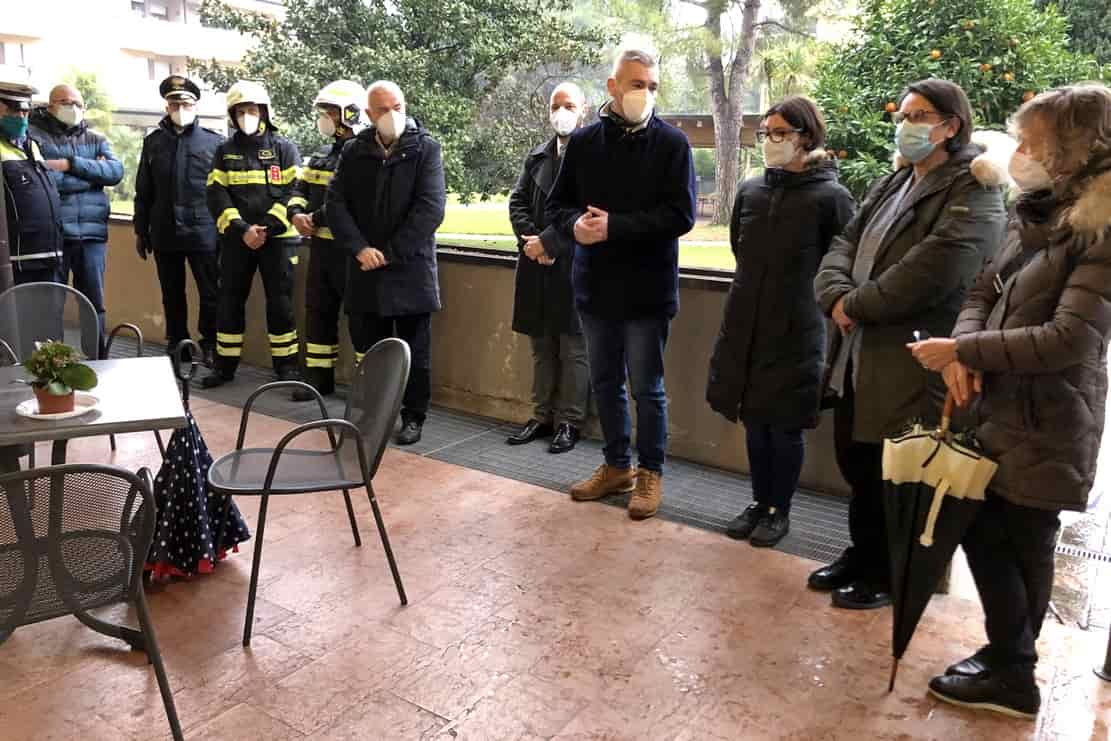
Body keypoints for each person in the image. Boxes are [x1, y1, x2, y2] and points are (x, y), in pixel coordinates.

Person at [908, 83, 1111, 719]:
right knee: (988, 533)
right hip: (999, 408)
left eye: (1035, 142)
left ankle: (1015, 675)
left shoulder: (1099, 229)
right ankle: (1005, 658)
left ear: (1075, 148)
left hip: (1048, 419)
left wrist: (965, 354)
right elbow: (978, 295)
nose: (1019, 152)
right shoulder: (1037, 212)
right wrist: (964, 352)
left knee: (1021, 539)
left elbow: (1069, 338)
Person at [812, 78, 1007, 609]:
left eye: (920, 116)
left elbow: (937, 268)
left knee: (895, 468)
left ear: (951, 126)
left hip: (912, 355)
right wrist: (835, 294)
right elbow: (845, 241)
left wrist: (854, 305)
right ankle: (862, 553)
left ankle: (889, 573)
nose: (906, 124)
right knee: (856, 457)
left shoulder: (975, 188)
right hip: (858, 351)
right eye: (904, 114)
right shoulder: (895, 179)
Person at [547, 47, 696, 520]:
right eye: (636, 84)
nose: (644, 93)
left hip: (648, 292)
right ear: (612, 87)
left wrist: (617, 227)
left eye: (651, 86)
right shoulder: (586, 143)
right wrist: (574, 228)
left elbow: (682, 215)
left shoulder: (673, 144)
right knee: (606, 382)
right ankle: (616, 466)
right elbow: (558, 207)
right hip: (595, 287)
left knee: (646, 388)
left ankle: (650, 471)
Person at [707, 96, 856, 547]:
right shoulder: (752, 191)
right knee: (754, 420)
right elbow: (740, 247)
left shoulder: (831, 197)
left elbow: (842, 261)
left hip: (799, 328)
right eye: (766, 133)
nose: (771, 141)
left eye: (780, 133)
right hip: (746, 323)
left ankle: (779, 509)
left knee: (784, 424)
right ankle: (758, 500)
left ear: (806, 137)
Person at [326, 80, 446, 445]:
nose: (392, 115)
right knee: (369, 349)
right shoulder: (353, 151)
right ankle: (373, 412)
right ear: (368, 115)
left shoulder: (426, 149)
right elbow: (336, 204)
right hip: (364, 269)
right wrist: (360, 248)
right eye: (382, 110)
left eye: (397, 107)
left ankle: (413, 416)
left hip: (409, 270)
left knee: (416, 352)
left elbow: (430, 210)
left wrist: (389, 254)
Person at [202, 80, 306, 393]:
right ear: (232, 116)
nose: (246, 115)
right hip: (238, 241)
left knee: (281, 304)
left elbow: (293, 192)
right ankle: (224, 365)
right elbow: (216, 194)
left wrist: (266, 229)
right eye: (240, 111)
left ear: (263, 111)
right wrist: (243, 229)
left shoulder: (284, 149)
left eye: (251, 109)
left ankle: (286, 365)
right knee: (229, 302)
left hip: (278, 241)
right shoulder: (224, 151)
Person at [506, 82, 590, 454]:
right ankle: (541, 416)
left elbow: (589, 214)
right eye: (556, 105)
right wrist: (533, 243)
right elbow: (517, 201)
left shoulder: (594, 157)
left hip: (574, 264)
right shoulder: (537, 155)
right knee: (541, 346)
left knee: (574, 349)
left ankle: (569, 422)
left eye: (569, 105)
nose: (562, 112)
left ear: (583, 110)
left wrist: (550, 244)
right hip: (536, 264)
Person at [134, 75, 224, 367]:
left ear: (195, 105)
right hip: (165, 232)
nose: (180, 107)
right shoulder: (153, 143)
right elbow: (143, 191)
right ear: (166, 106)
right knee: (172, 294)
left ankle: (209, 344)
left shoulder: (214, 143)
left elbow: (223, 191)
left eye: (185, 102)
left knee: (211, 293)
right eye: (174, 103)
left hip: (204, 232)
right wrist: (140, 231)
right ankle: (178, 344)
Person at [287, 80, 366, 398]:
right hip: (319, 247)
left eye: (331, 112)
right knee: (318, 311)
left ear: (350, 113)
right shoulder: (320, 155)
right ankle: (318, 379)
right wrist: (295, 214)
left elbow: (348, 201)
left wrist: (313, 218)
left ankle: (368, 385)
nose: (326, 118)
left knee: (360, 317)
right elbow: (298, 190)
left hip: (349, 251)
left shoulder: (363, 154)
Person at [30, 83, 124, 347]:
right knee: (51, 305)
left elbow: (115, 173)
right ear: (50, 106)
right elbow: (43, 180)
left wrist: (71, 165)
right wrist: (93, 176)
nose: (72, 108)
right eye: (65, 102)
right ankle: (53, 366)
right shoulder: (35, 137)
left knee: (94, 303)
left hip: (92, 236)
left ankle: (96, 359)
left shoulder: (96, 138)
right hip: (55, 234)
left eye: (77, 104)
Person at [0, 68, 62, 285]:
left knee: (47, 318)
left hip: (47, 255)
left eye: (26, 112)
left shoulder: (31, 145)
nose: (21, 117)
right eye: (14, 110)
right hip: (14, 262)